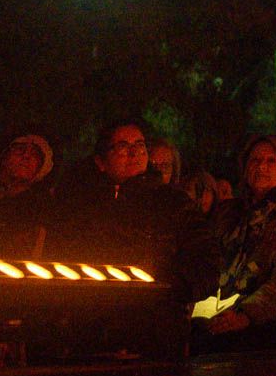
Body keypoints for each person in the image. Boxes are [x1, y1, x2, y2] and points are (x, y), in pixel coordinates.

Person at [48, 120, 214, 300]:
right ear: (101, 161)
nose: (134, 153)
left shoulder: (174, 203)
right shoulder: (82, 205)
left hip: (152, 316)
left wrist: (158, 288)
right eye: (122, 146)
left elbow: (205, 269)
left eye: (140, 145)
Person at [196, 135, 276, 351]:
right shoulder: (228, 212)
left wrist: (246, 314)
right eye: (255, 160)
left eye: (271, 161)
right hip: (217, 308)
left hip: (272, 320)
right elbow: (205, 259)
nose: (261, 166)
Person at [0, 127, 56, 256]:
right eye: (20, 150)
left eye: (35, 154)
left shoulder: (41, 209)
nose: (26, 156)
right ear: (5, 156)